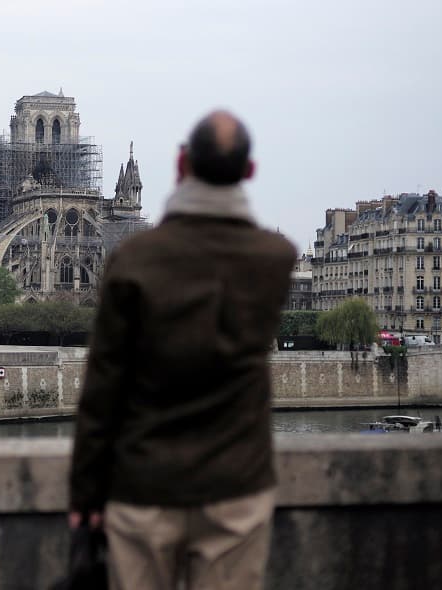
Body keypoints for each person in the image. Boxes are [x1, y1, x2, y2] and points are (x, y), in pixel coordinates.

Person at [70, 110, 296, 590]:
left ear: (180, 164)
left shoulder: (134, 258)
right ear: (249, 171)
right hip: (235, 487)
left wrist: (86, 493)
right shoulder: (275, 258)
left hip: (143, 485)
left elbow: (103, 389)